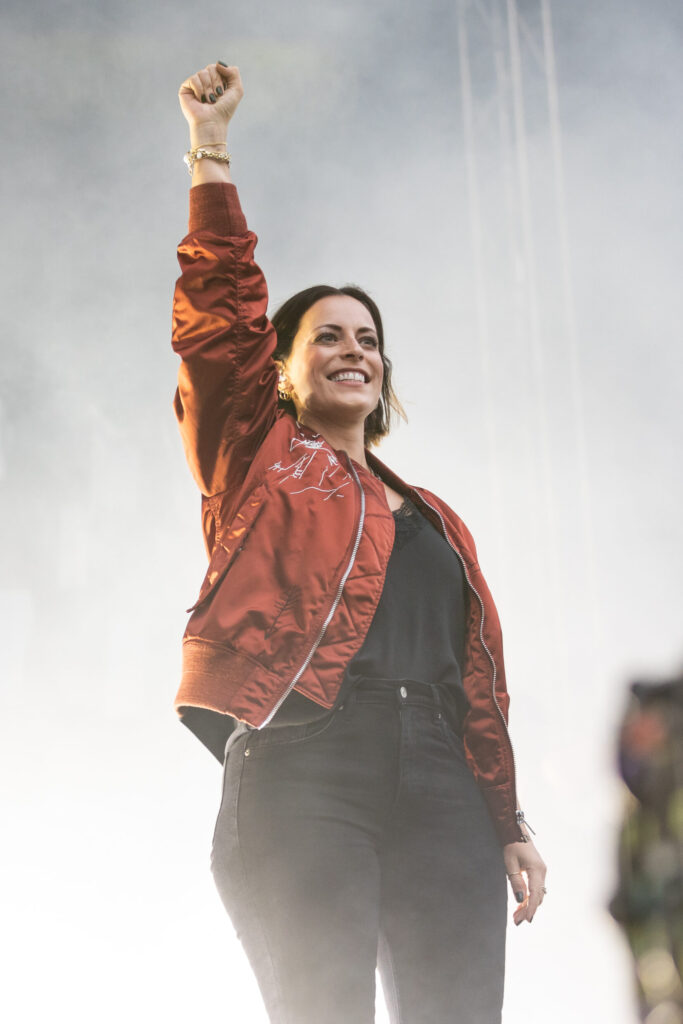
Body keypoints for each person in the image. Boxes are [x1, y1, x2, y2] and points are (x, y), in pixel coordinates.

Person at [172, 60, 547, 1024]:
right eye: (327, 336)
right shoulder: (259, 461)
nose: (354, 350)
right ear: (284, 375)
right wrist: (210, 151)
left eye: (369, 339)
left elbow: (477, 680)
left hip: (443, 784)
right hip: (307, 759)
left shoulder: (434, 518)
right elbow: (218, 324)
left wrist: (505, 821)